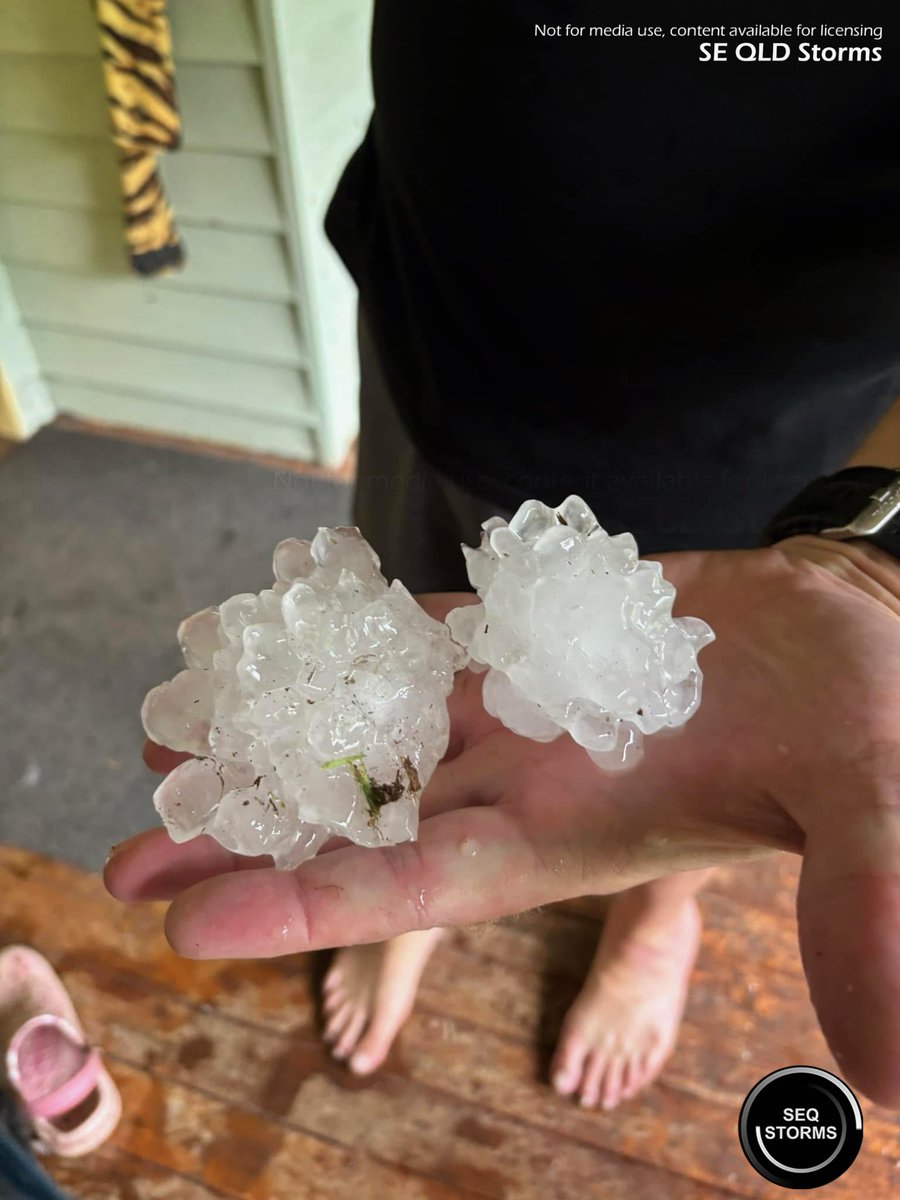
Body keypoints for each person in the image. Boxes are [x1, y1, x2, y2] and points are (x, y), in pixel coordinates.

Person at [105, 2, 900, 1110]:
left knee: (725, 731)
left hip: (771, 410)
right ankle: (394, 853)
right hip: (448, 287)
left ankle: (662, 906)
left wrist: (879, 557)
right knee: (402, 597)